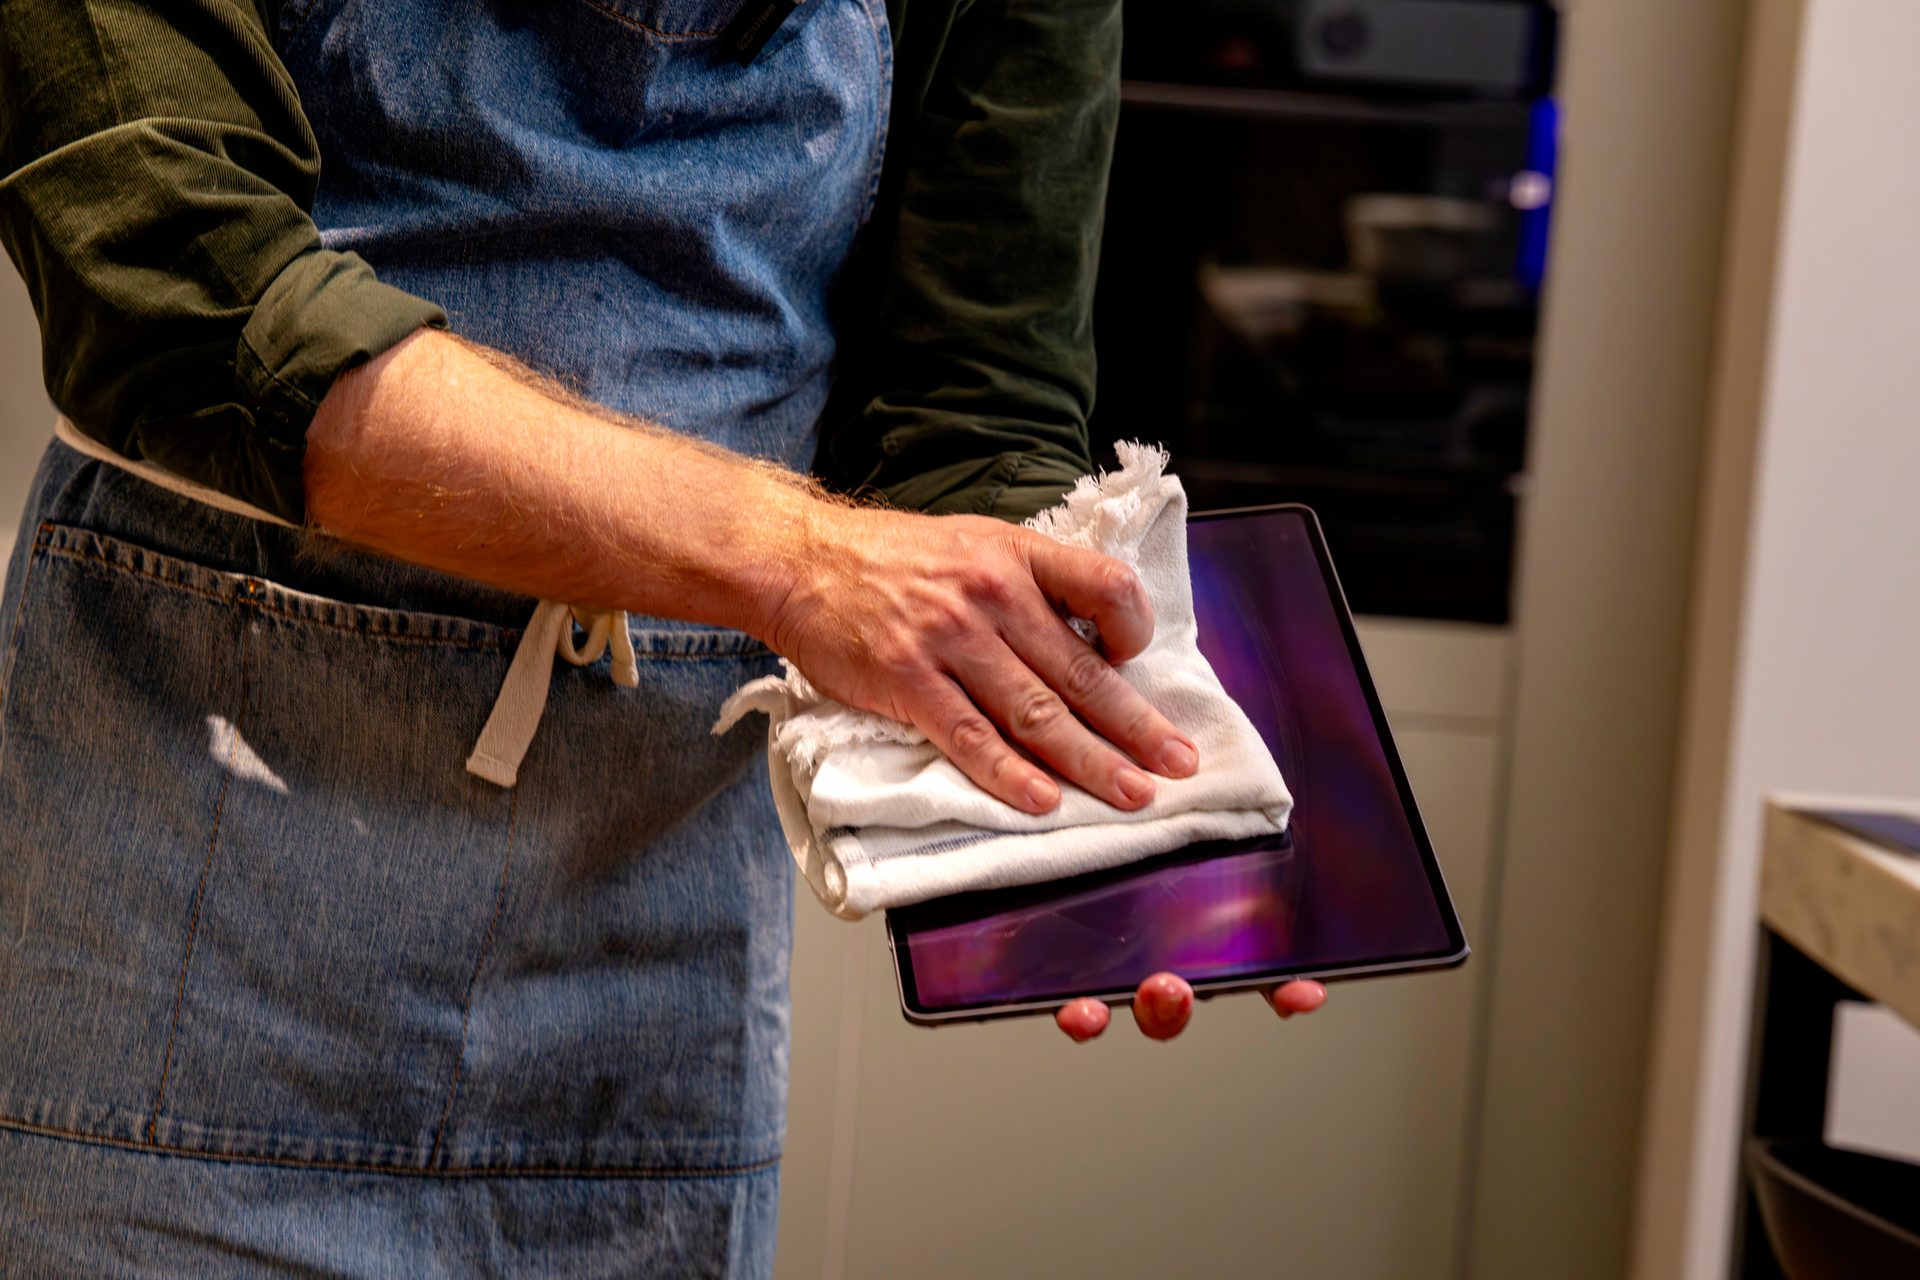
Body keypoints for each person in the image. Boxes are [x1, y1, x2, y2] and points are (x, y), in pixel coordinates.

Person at [0, 0, 1324, 1271]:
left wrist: (1095, 799)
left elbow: (974, 404)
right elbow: (182, 294)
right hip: (180, 935)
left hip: (654, 1001)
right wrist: (790, 555)